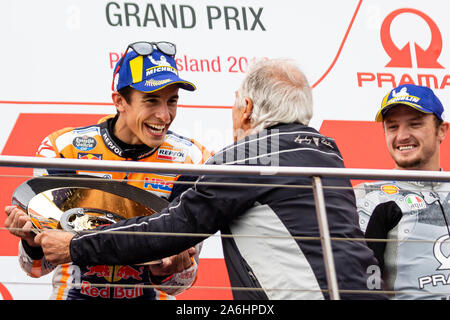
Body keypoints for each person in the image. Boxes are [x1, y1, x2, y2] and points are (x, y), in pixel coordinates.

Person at [34, 58, 387, 300]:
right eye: (152, 100)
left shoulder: (244, 159)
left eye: (234, 102)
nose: (164, 114)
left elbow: (168, 232)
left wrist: (75, 245)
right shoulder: (327, 152)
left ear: (246, 108)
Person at [4, 41, 212, 300]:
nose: (164, 115)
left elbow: (181, 282)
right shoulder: (64, 149)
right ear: (119, 101)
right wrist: (31, 244)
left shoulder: (191, 160)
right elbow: (34, 267)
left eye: (172, 101)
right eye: (151, 100)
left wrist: (169, 269)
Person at [354, 84, 450, 299]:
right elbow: (358, 284)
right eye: (393, 127)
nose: (402, 136)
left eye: (414, 124)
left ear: (441, 130)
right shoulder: (371, 198)